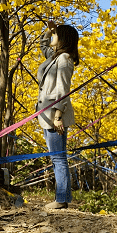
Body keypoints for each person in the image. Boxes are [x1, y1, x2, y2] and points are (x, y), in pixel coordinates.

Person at [37, 20, 79, 210]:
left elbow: (63, 90)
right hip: (47, 116)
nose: (52, 37)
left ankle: (61, 200)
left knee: (58, 158)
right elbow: (43, 44)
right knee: (56, 157)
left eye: (56, 34)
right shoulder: (55, 58)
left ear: (63, 39)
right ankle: (61, 198)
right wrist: (49, 30)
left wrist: (58, 116)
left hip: (54, 115)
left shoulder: (64, 60)